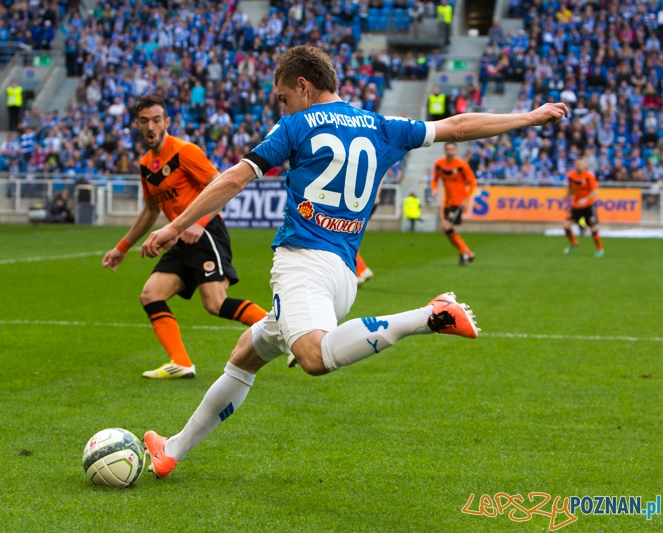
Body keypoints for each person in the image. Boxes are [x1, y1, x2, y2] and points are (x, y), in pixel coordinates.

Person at [137, 45, 568, 479]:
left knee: (313, 357)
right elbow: (456, 127)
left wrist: (173, 228)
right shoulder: (382, 126)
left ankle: (430, 315)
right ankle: (171, 450)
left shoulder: (296, 125)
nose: (281, 105)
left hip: (302, 264)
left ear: (303, 86)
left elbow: (232, 178)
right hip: (343, 275)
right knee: (246, 353)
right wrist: (528, 117)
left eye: (283, 96)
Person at [101, 94, 268, 379]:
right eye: (144, 121)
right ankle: (181, 362)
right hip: (177, 236)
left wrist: (199, 221)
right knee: (151, 294)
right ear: (137, 125)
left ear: (166, 122)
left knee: (214, 303)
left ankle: (283, 330)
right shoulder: (145, 164)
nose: (150, 126)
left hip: (205, 231)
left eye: (156, 120)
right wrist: (121, 247)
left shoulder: (184, 151)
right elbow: (151, 210)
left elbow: (219, 185)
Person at [432, 142, 477, 265]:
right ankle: (467, 253)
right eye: (448, 149)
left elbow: (472, 182)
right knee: (448, 229)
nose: (450, 151)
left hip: (459, 201)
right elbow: (435, 179)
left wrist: (466, 199)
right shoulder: (439, 164)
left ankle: (464, 252)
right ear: (444, 150)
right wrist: (434, 189)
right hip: (447, 202)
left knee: (446, 226)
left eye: (452, 149)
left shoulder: (462, 165)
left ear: (456, 150)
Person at [563, 158, 604, 257]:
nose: (579, 165)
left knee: (593, 228)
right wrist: (566, 201)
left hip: (589, 205)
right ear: (575, 165)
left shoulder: (589, 176)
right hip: (576, 205)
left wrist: (585, 199)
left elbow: (595, 191)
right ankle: (574, 242)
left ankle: (599, 249)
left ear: (585, 165)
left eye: (581, 164)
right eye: (578, 164)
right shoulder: (571, 176)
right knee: (566, 226)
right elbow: (570, 189)